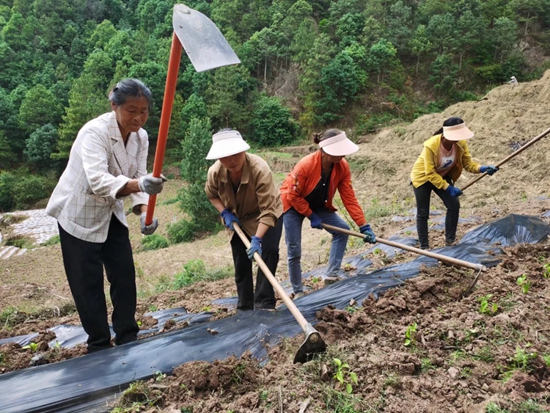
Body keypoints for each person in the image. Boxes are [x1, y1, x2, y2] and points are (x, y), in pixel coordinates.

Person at [46, 79, 165, 353]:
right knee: (87, 283)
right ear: (115, 106)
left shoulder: (141, 136)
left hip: (111, 212)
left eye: (144, 111)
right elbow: (99, 181)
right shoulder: (94, 132)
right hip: (79, 213)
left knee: (124, 275)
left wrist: (145, 212)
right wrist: (140, 185)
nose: (138, 117)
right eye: (131, 110)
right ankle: (98, 343)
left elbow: (139, 174)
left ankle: (127, 335)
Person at [279, 129, 377, 296]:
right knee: (294, 249)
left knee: (341, 231)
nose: (342, 156)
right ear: (324, 150)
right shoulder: (306, 165)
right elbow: (292, 194)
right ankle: (298, 290)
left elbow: (349, 198)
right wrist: (310, 215)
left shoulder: (342, 167)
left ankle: (331, 275)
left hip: (319, 205)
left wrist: (363, 225)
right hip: (293, 205)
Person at [204, 129, 283, 311]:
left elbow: (269, 210)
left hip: (267, 213)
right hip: (238, 218)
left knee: (268, 253)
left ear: (243, 151)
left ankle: (264, 303)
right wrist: (224, 212)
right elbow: (211, 194)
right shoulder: (215, 172)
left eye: (235, 154)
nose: (231, 161)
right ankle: (245, 306)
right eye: (225, 156)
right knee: (241, 260)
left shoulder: (259, 169)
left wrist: (257, 239)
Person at [410, 117, 499, 250]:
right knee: (423, 213)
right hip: (423, 177)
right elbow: (430, 173)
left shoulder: (460, 144)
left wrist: (482, 168)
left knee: (454, 205)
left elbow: (468, 164)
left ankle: (450, 241)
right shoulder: (431, 145)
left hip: (442, 175)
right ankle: (425, 247)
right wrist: (448, 188)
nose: (459, 139)